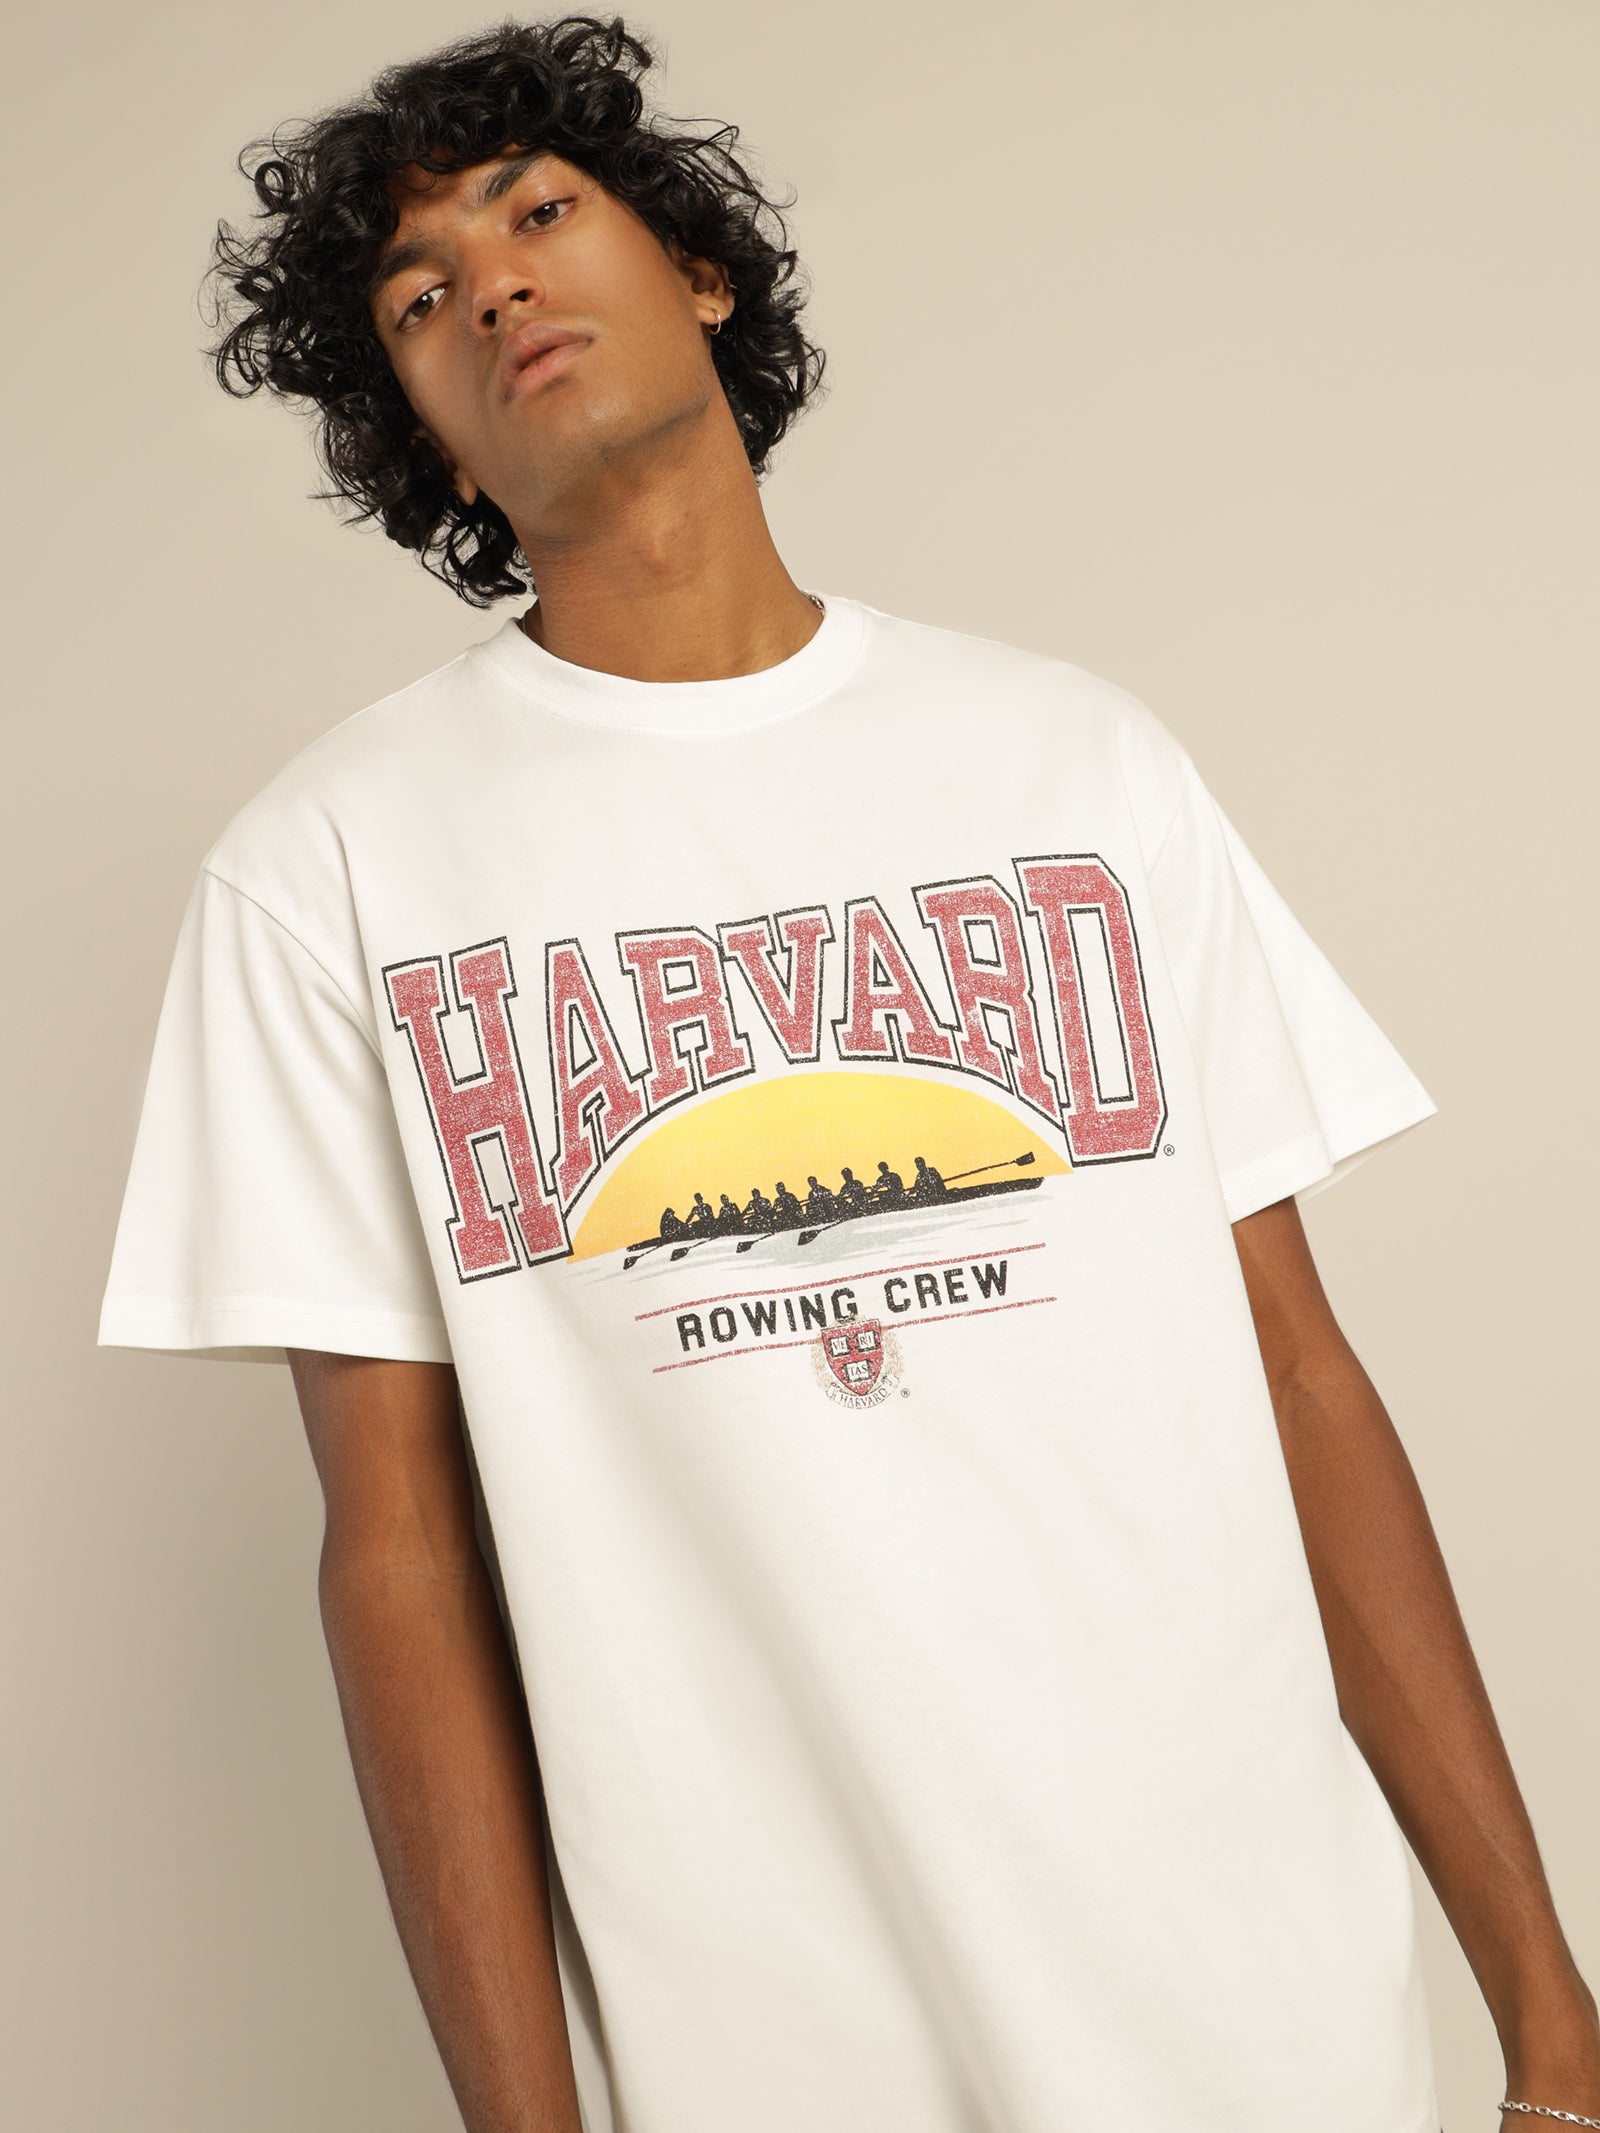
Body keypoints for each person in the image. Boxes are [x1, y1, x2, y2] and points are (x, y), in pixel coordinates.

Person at [96, 18, 1600, 2133]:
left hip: (1257, 2007)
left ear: (700, 272)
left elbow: (1294, 1372)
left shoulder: (1074, 762)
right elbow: (399, 1548)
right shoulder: (330, 870)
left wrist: (1547, 2000)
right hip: (771, 2042)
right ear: (426, 443)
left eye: (540, 215)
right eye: (420, 298)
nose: (495, 287)